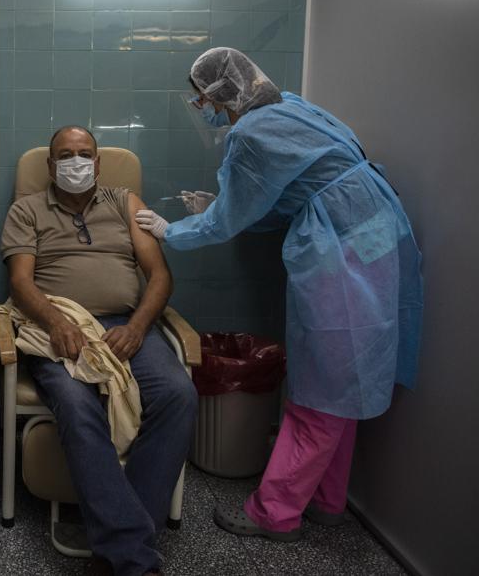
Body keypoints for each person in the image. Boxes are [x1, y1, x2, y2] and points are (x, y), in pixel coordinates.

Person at [136, 47, 423, 541]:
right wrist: (228, 206)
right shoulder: (292, 106)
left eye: (201, 95)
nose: (200, 104)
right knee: (347, 384)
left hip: (341, 250)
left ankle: (275, 512)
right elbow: (303, 187)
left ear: (222, 90)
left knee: (322, 388)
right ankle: (329, 502)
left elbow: (229, 220)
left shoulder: (248, 133)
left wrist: (173, 230)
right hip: (376, 229)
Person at [2, 125, 197, 576]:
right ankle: (132, 558)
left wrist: (136, 327)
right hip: (60, 325)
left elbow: (161, 276)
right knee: (76, 402)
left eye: (84, 153)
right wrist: (56, 321)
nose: (76, 162)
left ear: (98, 161)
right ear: (50, 166)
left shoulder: (126, 203)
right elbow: (21, 283)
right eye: (65, 155)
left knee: (178, 394)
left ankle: (119, 543)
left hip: (127, 327)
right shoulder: (26, 209)